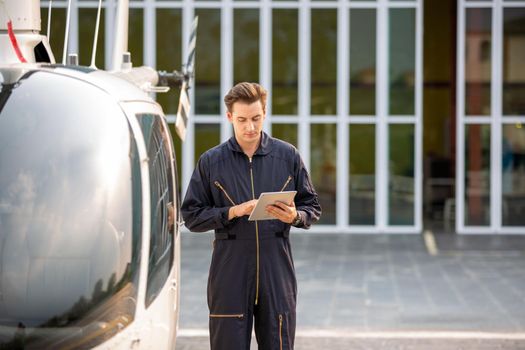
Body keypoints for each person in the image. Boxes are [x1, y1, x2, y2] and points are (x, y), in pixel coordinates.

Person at [181, 82, 321, 350]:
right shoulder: (211, 162)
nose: (250, 127)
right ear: (230, 117)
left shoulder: (287, 156)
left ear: (265, 114)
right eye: (242, 119)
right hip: (230, 270)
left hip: (276, 270)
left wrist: (294, 216)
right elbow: (192, 216)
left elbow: (312, 206)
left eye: (256, 118)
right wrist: (234, 211)